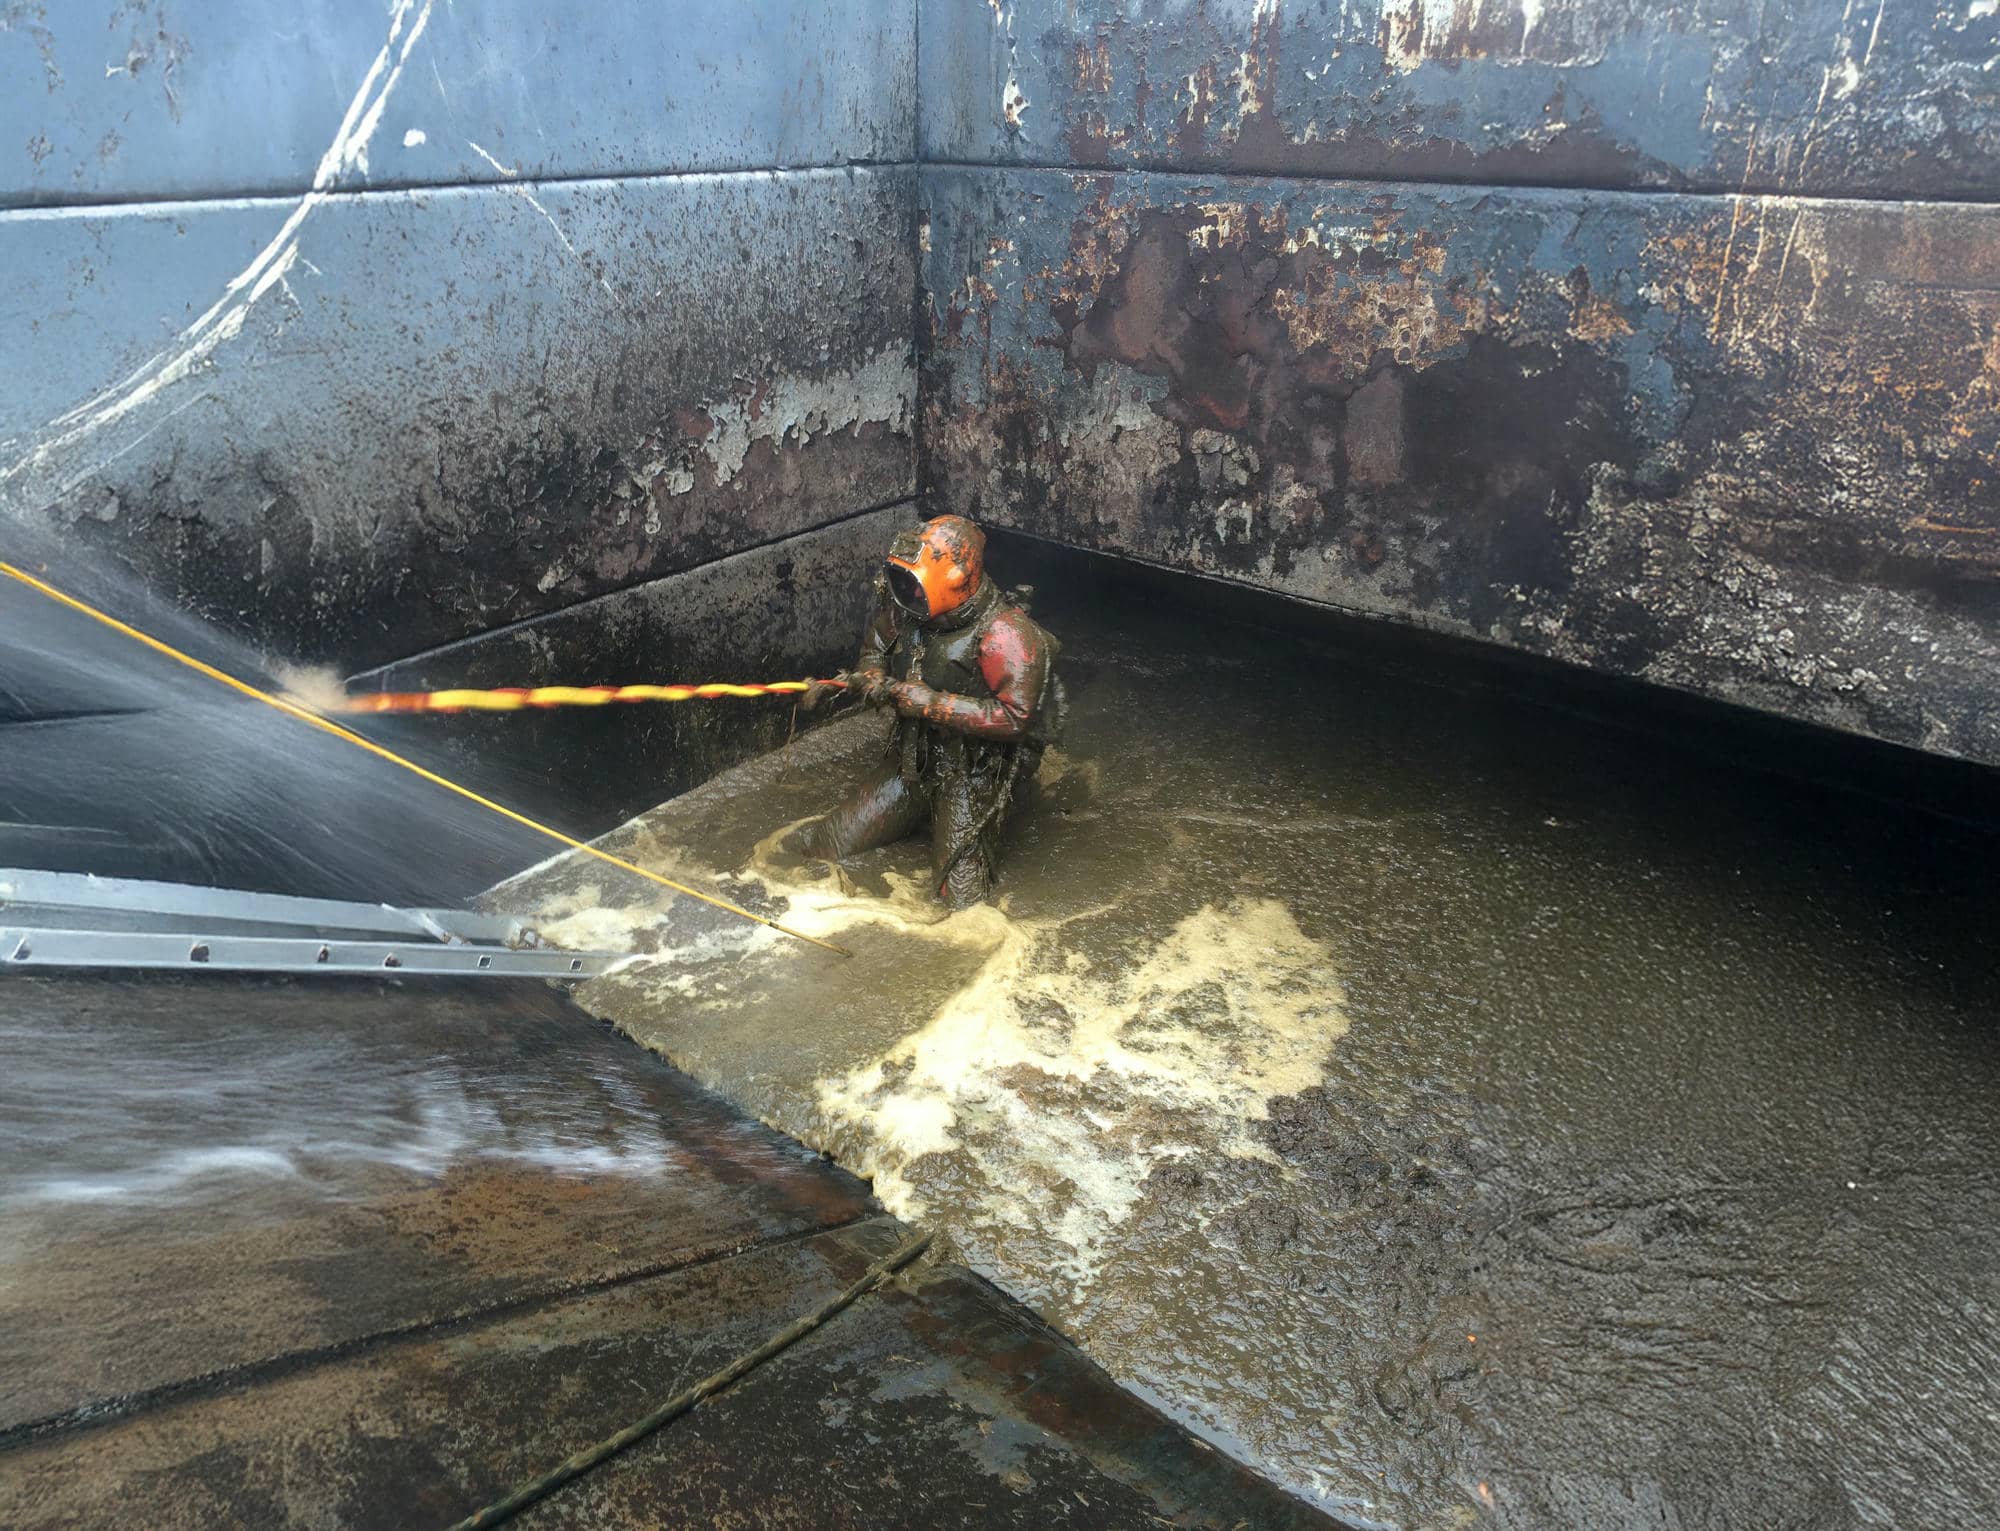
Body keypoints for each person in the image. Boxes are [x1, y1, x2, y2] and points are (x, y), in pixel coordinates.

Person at [790, 515, 1062, 908]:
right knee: (826, 844)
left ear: (955, 578)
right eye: (902, 580)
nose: (905, 592)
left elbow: (1015, 718)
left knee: (961, 901)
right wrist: (872, 676)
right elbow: (876, 646)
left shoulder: (1006, 634)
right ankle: (914, 808)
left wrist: (933, 704)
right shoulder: (908, 607)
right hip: (913, 761)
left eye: (914, 582)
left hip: (971, 772)